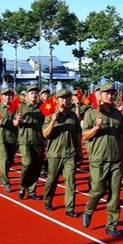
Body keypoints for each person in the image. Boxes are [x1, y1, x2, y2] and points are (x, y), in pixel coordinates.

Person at [81, 82, 123, 238]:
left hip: (115, 159)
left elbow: (121, 136)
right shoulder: (91, 113)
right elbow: (84, 136)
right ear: (99, 95)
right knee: (98, 190)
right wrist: (96, 128)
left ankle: (111, 225)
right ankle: (88, 210)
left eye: (112, 93)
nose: (110, 95)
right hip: (98, 159)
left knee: (115, 193)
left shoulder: (117, 114)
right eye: (106, 93)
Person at [42, 88, 84, 217]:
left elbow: (78, 134)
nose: (65, 100)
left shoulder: (72, 116)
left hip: (70, 153)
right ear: (57, 100)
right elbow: (45, 134)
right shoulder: (50, 115)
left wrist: (79, 151)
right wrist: (53, 121)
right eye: (62, 98)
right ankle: (47, 200)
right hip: (55, 154)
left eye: (67, 98)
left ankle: (70, 208)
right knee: (52, 180)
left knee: (71, 181)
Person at [14, 85, 45, 200]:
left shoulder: (42, 108)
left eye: (36, 93)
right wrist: (17, 120)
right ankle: (23, 186)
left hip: (38, 141)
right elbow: (14, 124)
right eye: (31, 93)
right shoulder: (20, 107)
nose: (34, 95)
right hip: (25, 141)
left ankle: (32, 191)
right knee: (27, 164)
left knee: (36, 166)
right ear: (27, 95)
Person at [0, 88, 19, 193]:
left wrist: (18, 120)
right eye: (5, 95)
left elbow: (17, 122)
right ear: (1, 97)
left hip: (12, 137)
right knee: (4, 159)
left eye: (10, 95)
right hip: (1, 137)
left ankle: (3, 176)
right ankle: (5, 182)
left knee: (9, 161)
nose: (8, 97)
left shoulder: (15, 108)